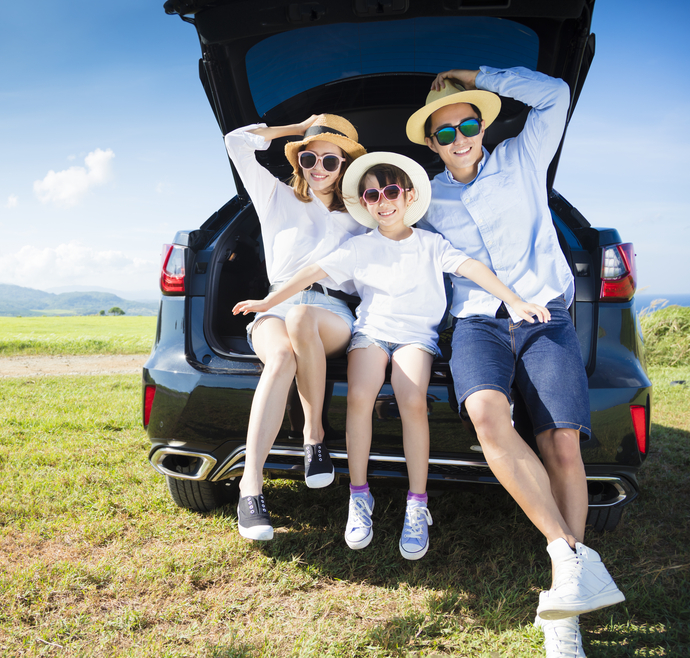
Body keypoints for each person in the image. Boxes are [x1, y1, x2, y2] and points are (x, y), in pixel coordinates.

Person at [233, 152, 550, 559]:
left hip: (416, 337)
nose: (382, 201)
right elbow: (309, 274)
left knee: (412, 400)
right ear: (363, 203)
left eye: (391, 191)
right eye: (371, 194)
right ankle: (359, 497)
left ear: (408, 195)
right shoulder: (359, 246)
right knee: (360, 399)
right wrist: (268, 301)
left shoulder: (432, 244)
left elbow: (472, 268)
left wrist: (514, 300)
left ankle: (417, 503)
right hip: (371, 333)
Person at [406, 66, 624, 656]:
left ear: (482, 123)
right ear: (430, 142)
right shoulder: (424, 197)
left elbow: (555, 94)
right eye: (445, 133)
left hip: (544, 314)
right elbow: (379, 232)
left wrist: (481, 75)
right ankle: (566, 553)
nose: (459, 138)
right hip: (478, 321)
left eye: (468, 123)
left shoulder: (524, 157)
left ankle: (563, 611)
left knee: (562, 443)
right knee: (484, 412)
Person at [224, 114, 368, 541]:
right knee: (282, 355)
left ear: (345, 166)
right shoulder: (275, 196)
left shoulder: (362, 213)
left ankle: (313, 433)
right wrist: (299, 127)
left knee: (304, 318)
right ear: (299, 161)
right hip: (275, 308)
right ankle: (251, 486)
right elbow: (236, 141)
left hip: (333, 314)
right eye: (309, 157)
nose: (318, 167)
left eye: (330, 159)